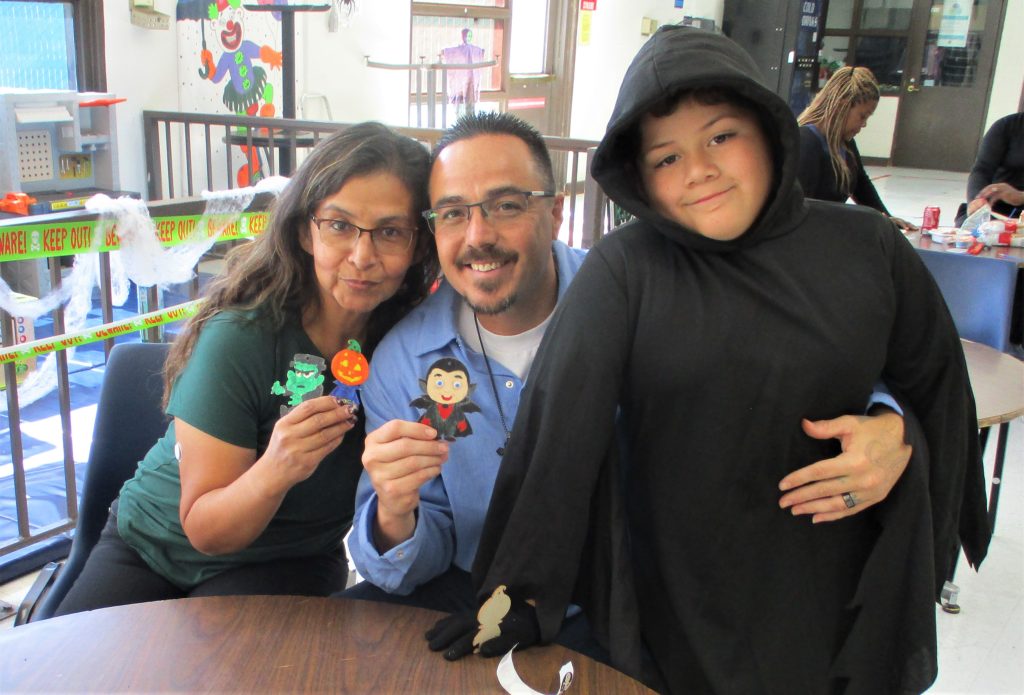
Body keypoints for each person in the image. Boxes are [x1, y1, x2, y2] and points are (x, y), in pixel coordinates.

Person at [430, 27, 990, 694]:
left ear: (767, 129)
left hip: (834, 598)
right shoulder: (627, 271)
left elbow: (939, 393)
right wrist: (512, 592)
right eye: (665, 158)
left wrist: (902, 438)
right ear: (638, 177)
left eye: (721, 136)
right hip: (676, 605)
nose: (698, 170)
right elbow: (558, 431)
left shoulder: (867, 248)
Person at [344, 112, 914, 621]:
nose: (478, 236)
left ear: (556, 210)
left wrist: (888, 418)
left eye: (507, 205)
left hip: (642, 603)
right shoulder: (403, 361)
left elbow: (794, 356)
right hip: (482, 599)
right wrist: (396, 509)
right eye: (452, 214)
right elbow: (409, 563)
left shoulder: (648, 296)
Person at [54, 123, 439, 615]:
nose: (362, 257)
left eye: (390, 232)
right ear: (305, 231)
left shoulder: (415, 348)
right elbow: (206, 529)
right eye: (339, 225)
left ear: (419, 245)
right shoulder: (242, 337)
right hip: (152, 546)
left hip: (288, 561)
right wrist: (278, 467)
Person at [797, 66, 918, 231]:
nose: (864, 124)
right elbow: (802, 206)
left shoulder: (845, 143)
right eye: (862, 116)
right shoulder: (806, 142)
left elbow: (861, 185)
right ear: (842, 105)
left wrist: (885, 217)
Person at [958, 112, 1024, 223]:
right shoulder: (1007, 126)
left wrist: (1020, 196)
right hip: (996, 207)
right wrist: (977, 200)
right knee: (972, 229)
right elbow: (982, 169)